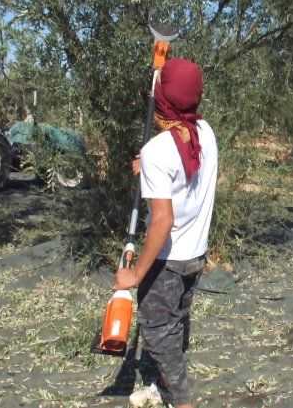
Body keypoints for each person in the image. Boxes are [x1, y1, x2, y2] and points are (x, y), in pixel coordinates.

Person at [114, 58, 218, 408]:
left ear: (162, 98)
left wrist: (135, 274)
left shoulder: (158, 150)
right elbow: (189, 170)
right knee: (176, 322)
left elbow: (162, 221)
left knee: (158, 333)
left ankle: (182, 402)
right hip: (196, 254)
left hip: (168, 261)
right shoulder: (206, 132)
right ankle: (163, 387)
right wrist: (149, 168)